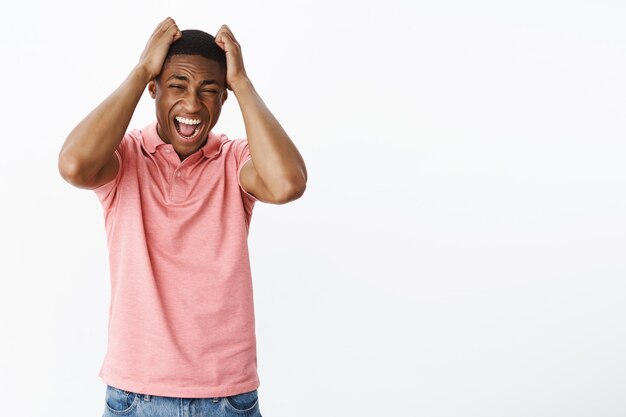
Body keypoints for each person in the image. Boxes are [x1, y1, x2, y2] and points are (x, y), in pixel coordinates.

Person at [58, 17, 307, 417]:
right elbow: (73, 165)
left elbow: (287, 184)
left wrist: (241, 83)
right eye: (177, 86)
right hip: (134, 396)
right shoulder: (125, 156)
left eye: (210, 90)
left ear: (223, 99)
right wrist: (141, 70)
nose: (192, 104)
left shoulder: (235, 160)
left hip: (227, 398)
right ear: (154, 90)